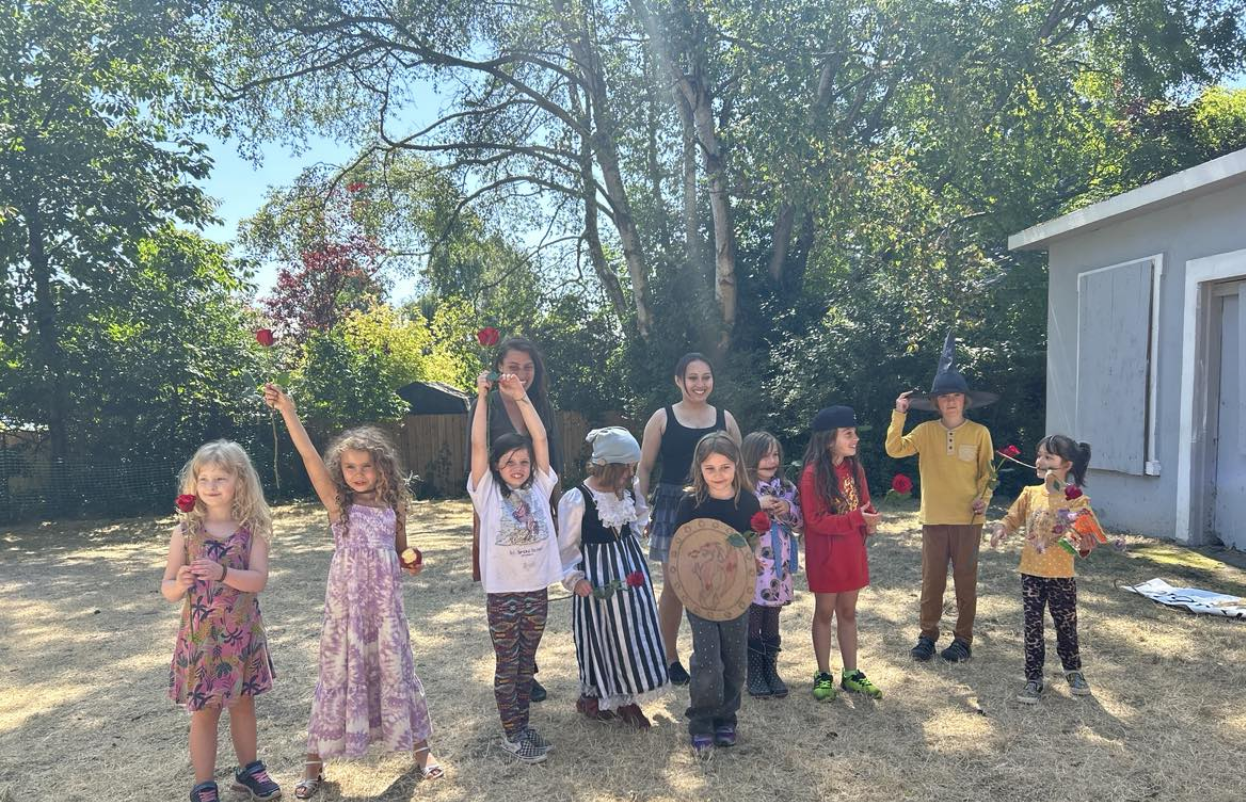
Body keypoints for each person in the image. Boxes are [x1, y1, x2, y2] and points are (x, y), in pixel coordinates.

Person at [265, 385, 441, 800]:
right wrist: (289, 410)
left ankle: (421, 751)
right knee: (336, 675)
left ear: (383, 468)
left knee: (396, 671)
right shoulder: (338, 505)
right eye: (349, 467)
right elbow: (309, 457)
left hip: (386, 612)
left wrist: (412, 562)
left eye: (366, 466)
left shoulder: (395, 508)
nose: (358, 474)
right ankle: (313, 765)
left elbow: (403, 553)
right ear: (340, 471)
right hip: (346, 612)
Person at [162, 440, 279, 802]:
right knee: (204, 711)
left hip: (241, 636)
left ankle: (249, 771)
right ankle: (204, 784)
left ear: (239, 482)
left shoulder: (253, 529)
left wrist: (222, 572)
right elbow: (167, 587)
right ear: (194, 484)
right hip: (202, 639)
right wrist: (179, 583)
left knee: (243, 705)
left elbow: (258, 580)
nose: (211, 486)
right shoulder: (185, 531)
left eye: (220, 478)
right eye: (204, 479)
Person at [886, 330, 997, 663]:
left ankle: (963, 639)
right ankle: (927, 636)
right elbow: (894, 449)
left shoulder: (980, 433)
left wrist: (984, 499)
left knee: (965, 582)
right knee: (932, 581)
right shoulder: (925, 432)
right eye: (944, 397)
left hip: (968, 519)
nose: (950, 401)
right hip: (934, 518)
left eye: (956, 396)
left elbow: (988, 474)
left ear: (965, 400)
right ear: (936, 402)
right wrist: (899, 414)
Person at [468, 371, 562, 763]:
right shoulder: (487, 491)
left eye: (523, 461)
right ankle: (512, 735)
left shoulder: (540, 485)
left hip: (535, 590)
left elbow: (540, 438)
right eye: (509, 462)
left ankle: (522, 725)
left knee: (527, 665)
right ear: (496, 466)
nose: (519, 467)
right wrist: (482, 397)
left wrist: (522, 397)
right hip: (504, 594)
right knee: (509, 664)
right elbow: (477, 443)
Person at [638, 352, 742, 685]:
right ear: (678, 380)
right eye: (693, 377)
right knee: (675, 587)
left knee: (717, 583)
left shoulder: (725, 419)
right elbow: (644, 467)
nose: (700, 384)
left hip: (717, 507)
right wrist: (640, 510)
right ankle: (668, 659)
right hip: (673, 507)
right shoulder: (662, 418)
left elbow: (741, 470)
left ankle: (713, 659)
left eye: (706, 377)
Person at [558, 427, 669, 728]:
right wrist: (575, 578)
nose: (631, 473)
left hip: (630, 573)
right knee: (601, 636)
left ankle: (628, 698)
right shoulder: (578, 498)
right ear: (608, 467)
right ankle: (593, 698)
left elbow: (638, 518)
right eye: (626, 468)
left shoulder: (628, 490)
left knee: (632, 633)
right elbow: (566, 546)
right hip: (598, 579)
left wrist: (640, 529)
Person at [990, 436, 1101, 704]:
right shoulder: (1030, 493)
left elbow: (1081, 540)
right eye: (1039, 455)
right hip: (1031, 574)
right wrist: (1001, 528)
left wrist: (1086, 545)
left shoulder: (1076, 500)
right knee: (1032, 628)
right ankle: (1033, 678)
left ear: (1067, 465)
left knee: (1066, 627)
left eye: (1048, 457)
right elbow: (1012, 518)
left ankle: (1073, 671)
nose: (1040, 461)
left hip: (1062, 576)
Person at [672, 432, 761, 753]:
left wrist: (754, 559)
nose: (718, 475)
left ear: (737, 465)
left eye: (725, 467)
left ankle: (726, 718)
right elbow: (681, 549)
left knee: (734, 658)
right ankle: (702, 720)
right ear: (699, 468)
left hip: (735, 593)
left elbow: (752, 542)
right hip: (701, 595)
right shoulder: (690, 503)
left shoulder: (747, 502)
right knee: (708, 658)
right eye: (710, 468)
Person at [800, 407, 883, 701]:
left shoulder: (855, 470)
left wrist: (871, 520)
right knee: (824, 612)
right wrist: (857, 518)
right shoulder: (811, 475)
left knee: (848, 612)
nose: (855, 439)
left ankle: (851, 673)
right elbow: (815, 521)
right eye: (848, 434)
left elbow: (864, 504)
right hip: (825, 556)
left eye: (855, 433)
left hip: (852, 552)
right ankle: (823, 673)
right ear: (828, 439)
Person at [740, 431, 802, 698]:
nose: (771, 461)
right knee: (754, 613)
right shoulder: (742, 488)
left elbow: (801, 522)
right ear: (750, 458)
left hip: (779, 565)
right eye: (764, 456)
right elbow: (731, 518)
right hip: (753, 562)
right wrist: (756, 504)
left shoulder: (787, 488)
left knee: (772, 614)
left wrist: (788, 509)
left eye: (775, 454)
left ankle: (770, 668)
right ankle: (753, 670)